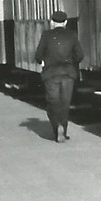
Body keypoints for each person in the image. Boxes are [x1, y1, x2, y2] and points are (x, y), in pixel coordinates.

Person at [34, 10, 83, 142]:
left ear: (52, 22)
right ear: (66, 22)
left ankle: (57, 127)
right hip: (68, 73)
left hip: (51, 74)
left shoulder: (46, 35)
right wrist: (71, 63)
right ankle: (64, 129)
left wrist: (42, 61)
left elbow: (38, 55)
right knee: (65, 103)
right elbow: (80, 55)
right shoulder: (72, 35)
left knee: (53, 102)